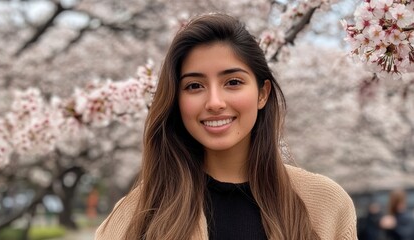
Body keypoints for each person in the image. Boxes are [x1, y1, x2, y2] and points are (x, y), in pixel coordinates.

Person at [95, 13, 357, 240]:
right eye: (194, 86)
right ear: (176, 99)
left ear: (262, 94)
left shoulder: (326, 205)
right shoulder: (136, 213)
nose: (214, 102)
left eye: (233, 82)